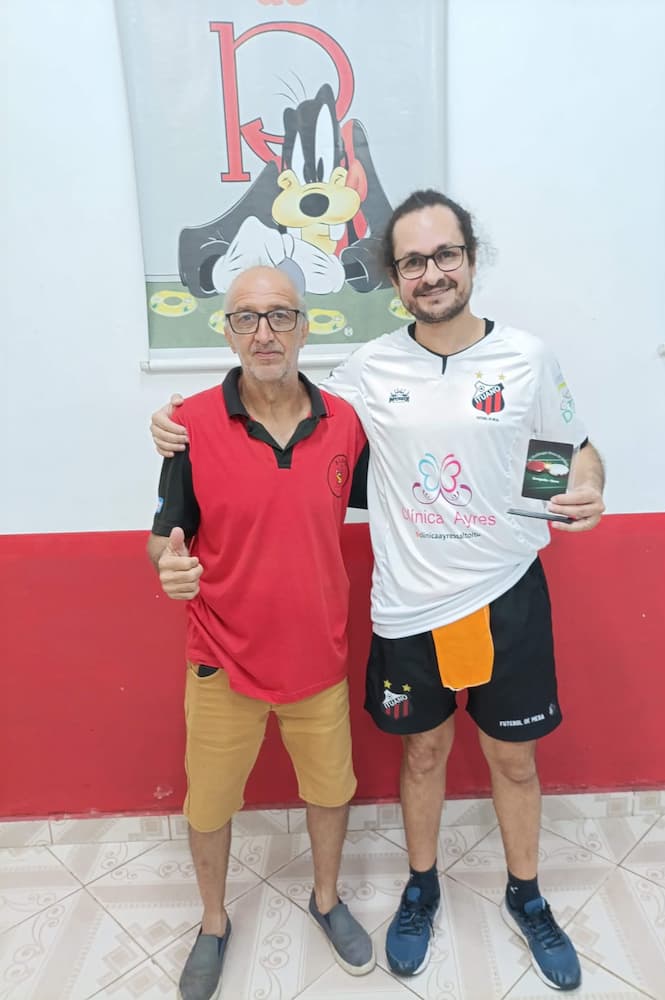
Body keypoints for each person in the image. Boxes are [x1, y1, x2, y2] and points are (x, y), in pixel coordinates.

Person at [150, 191, 605, 993]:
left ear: (470, 259)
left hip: (506, 591)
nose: (431, 273)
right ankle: (420, 889)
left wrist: (585, 487)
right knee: (421, 752)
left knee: (513, 761)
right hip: (408, 603)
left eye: (445, 255)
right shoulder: (367, 371)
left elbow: (569, 449)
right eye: (412, 262)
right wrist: (172, 422)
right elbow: (276, 398)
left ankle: (526, 897)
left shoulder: (527, 358)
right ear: (393, 279)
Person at [147, 265, 374, 1000]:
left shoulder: (346, 423)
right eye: (247, 317)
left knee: (330, 792)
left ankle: (327, 900)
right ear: (228, 332)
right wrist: (168, 566)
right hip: (221, 659)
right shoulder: (190, 426)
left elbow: (411, 494)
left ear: (305, 328)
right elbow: (164, 535)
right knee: (209, 804)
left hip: (318, 658)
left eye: (280, 316)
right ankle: (213, 922)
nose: (264, 332)